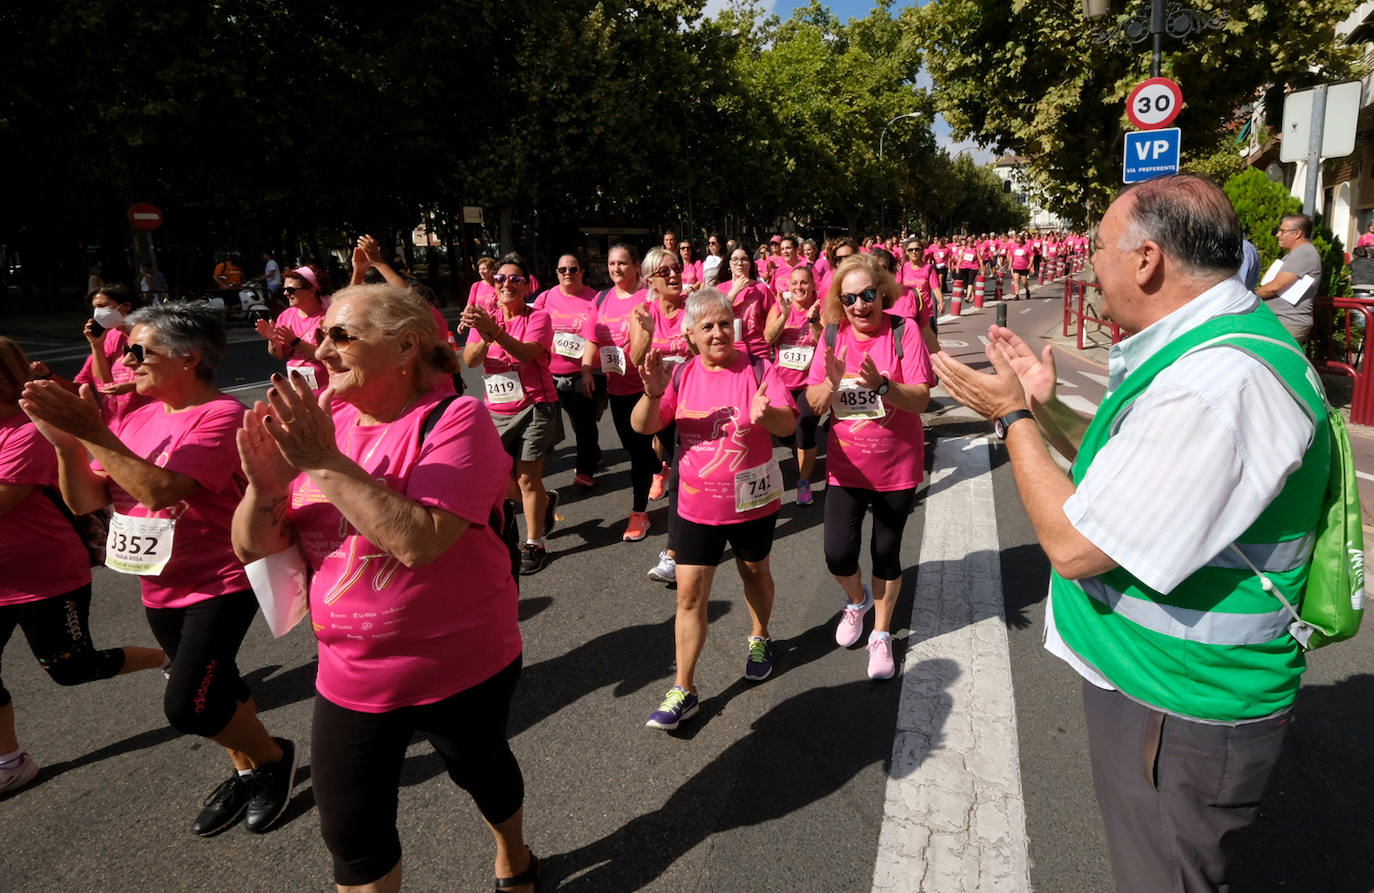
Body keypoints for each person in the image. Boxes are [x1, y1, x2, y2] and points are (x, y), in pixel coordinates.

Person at [931, 174, 1330, 893]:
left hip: (1179, 708)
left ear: (1147, 259)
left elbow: (1076, 545)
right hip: (1161, 695)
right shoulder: (1212, 350)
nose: (1090, 266)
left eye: (1099, 249)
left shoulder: (1217, 381)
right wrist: (1047, 411)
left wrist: (1013, 418)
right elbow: (1139, 472)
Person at [232, 285, 536, 893]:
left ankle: (514, 853)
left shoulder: (457, 419)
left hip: (458, 662)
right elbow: (251, 548)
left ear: (405, 347)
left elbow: (419, 541)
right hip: (349, 672)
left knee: (484, 775)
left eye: (341, 336)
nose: (322, 350)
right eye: (322, 336)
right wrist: (265, 489)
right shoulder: (324, 422)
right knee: (352, 837)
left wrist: (319, 460)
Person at [20, 303, 297, 836]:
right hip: (157, 580)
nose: (125, 361)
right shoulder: (136, 415)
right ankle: (245, 771)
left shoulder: (221, 416)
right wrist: (67, 444)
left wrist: (94, 432)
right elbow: (84, 502)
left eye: (138, 351)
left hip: (221, 580)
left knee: (187, 705)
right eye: (124, 350)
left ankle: (271, 758)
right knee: (223, 688)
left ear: (189, 358)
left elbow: (161, 489)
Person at [0, 336, 166, 795]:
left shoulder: (27, 429)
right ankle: (10, 761)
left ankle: (168, 657)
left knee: (72, 667)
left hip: (44, 577)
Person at [631, 288, 797, 730]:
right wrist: (650, 393)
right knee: (688, 596)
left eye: (725, 323)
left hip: (752, 501)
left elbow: (788, 423)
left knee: (755, 572)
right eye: (707, 326)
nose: (719, 332)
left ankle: (760, 636)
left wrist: (767, 416)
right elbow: (645, 425)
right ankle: (684, 689)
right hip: (695, 505)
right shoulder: (681, 375)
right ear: (689, 334)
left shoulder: (759, 367)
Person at [804, 256, 934, 680]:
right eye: (850, 298)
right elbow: (814, 405)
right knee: (838, 554)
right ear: (839, 303)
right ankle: (857, 601)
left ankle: (881, 633)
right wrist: (830, 380)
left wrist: (883, 385)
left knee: (885, 553)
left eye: (868, 295)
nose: (860, 305)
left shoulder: (903, 330)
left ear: (883, 292)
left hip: (896, 464)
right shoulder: (830, 336)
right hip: (847, 467)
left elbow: (920, 400)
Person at [462, 256, 562, 575]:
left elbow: (527, 352)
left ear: (527, 286)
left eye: (515, 279)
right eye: (501, 278)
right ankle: (543, 504)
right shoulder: (486, 320)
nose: (507, 283)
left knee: (527, 478)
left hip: (536, 405)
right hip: (497, 411)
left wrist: (495, 331)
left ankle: (534, 543)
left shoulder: (539, 316)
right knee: (500, 478)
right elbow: (471, 359)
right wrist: (487, 332)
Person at [630, 246, 694, 583]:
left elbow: (710, 352)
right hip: (662, 405)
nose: (673, 275)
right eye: (665, 271)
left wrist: (693, 343)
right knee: (681, 471)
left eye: (677, 268)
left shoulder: (694, 308)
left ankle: (673, 553)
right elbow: (635, 359)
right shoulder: (643, 311)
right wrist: (651, 333)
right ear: (651, 279)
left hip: (696, 402)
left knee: (681, 477)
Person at [593, 244, 657, 541]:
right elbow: (592, 338)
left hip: (645, 386)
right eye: (612, 263)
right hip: (616, 385)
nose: (616, 268)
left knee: (640, 449)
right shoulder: (602, 298)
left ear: (635, 266)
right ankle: (661, 467)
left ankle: (639, 512)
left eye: (622, 263)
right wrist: (584, 370)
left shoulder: (648, 297)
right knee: (632, 446)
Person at [28, 283, 153, 426]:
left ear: (126, 306)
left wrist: (131, 386)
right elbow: (96, 383)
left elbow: (164, 374)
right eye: (94, 308)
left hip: (147, 419)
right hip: (116, 424)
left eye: (102, 306)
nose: (97, 313)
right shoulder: (109, 338)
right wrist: (96, 345)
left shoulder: (147, 335)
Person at [533, 254, 602, 489]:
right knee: (568, 420)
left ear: (581, 271)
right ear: (556, 272)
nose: (568, 273)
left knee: (584, 422)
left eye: (573, 269)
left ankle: (585, 471)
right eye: (563, 269)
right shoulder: (546, 297)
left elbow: (599, 335)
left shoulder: (593, 298)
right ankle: (594, 452)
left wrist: (589, 371)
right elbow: (531, 322)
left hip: (581, 371)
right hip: (549, 372)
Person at [764, 265, 824, 504]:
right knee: (782, 432)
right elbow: (768, 338)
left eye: (804, 283)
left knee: (805, 428)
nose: (799, 287)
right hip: (782, 383)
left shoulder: (820, 309)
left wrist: (813, 321)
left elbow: (824, 343)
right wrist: (785, 316)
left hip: (810, 383)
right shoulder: (779, 306)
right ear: (788, 286)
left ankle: (803, 482)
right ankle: (795, 448)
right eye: (795, 283)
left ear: (812, 286)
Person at [255, 265, 329, 390]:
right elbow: (279, 355)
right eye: (284, 289)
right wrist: (273, 342)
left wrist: (295, 342)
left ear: (311, 291)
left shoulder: (328, 316)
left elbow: (328, 356)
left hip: (328, 393)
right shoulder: (286, 316)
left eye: (290, 289)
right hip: (298, 391)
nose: (285, 293)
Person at [1255, 213, 1321, 344]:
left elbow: (1276, 286)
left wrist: (1249, 296)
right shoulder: (1298, 253)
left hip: (1288, 322)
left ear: (1297, 233)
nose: (1277, 235)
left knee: (1271, 361)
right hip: (1280, 321)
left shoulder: (1304, 253)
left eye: (1282, 231)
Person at [713, 245, 771, 359]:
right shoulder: (720, 289)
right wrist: (733, 293)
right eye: (735, 259)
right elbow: (715, 317)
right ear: (729, 264)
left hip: (757, 351)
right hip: (728, 351)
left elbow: (773, 318)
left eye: (744, 259)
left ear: (750, 264)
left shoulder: (761, 289)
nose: (739, 263)